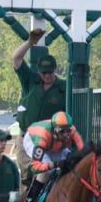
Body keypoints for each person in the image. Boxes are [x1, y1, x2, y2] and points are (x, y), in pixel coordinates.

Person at [11, 28, 66, 186]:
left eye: (50, 72)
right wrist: (30, 42)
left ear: (55, 70)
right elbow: (16, 58)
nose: (47, 76)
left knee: (44, 174)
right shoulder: (30, 80)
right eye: (44, 72)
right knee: (27, 177)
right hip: (26, 137)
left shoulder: (63, 88)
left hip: (47, 142)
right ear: (39, 71)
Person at [19, 111, 85, 202]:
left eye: (68, 130)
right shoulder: (42, 136)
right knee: (47, 172)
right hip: (33, 140)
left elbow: (82, 150)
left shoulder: (72, 131)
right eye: (61, 131)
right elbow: (34, 166)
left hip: (55, 143)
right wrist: (52, 164)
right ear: (54, 129)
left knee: (71, 164)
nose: (66, 134)